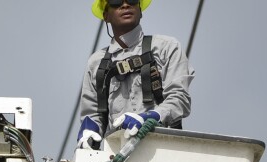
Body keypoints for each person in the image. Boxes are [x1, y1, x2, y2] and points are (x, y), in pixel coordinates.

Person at [74, 0, 192, 150]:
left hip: (164, 151)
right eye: (116, 1)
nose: (125, 5)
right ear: (106, 15)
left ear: (140, 10)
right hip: (118, 159)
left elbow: (179, 99)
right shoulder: (96, 64)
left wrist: (152, 117)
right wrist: (89, 133)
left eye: (132, 0)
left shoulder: (166, 48)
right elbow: (93, 115)